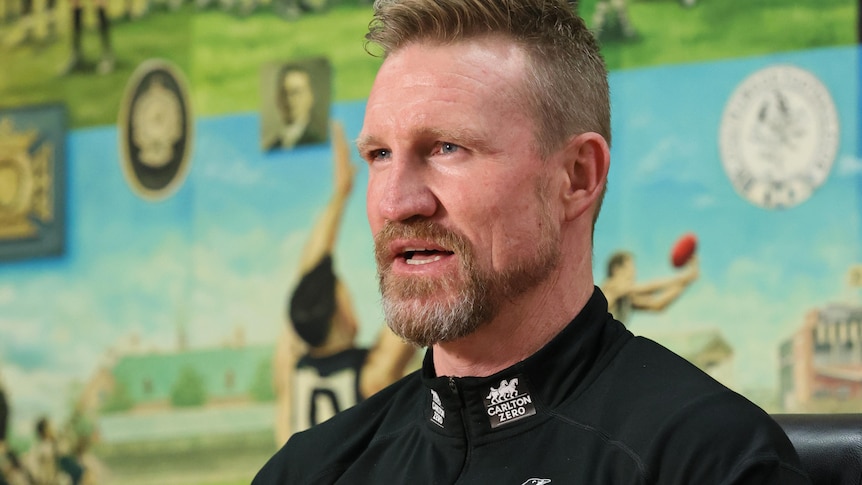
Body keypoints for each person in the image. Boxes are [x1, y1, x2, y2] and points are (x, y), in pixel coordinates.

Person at [254, 0, 809, 483]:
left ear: (577, 177)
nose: (398, 202)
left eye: (447, 147)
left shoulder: (708, 460)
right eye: (379, 155)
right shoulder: (308, 470)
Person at [271, 122, 417, 446]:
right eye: (345, 294)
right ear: (340, 313)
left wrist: (340, 195)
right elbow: (422, 301)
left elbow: (308, 283)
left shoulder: (290, 372)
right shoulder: (371, 377)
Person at [601, 251, 699, 325]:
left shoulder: (627, 297)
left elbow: (658, 305)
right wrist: (683, 278)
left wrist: (686, 282)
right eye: (630, 268)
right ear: (616, 270)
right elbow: (650, 288)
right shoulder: (611, 285)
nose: (634, 273)